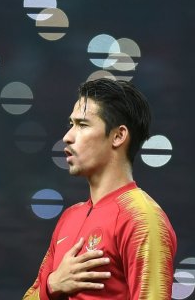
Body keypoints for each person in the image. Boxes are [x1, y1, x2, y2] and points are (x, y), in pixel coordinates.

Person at [23, 78, 177, 299]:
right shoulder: (69, 217)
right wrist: (53, 285)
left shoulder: (143, 219)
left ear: (118, 136)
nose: (67, 137)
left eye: (83, 125)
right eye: (71, 125)